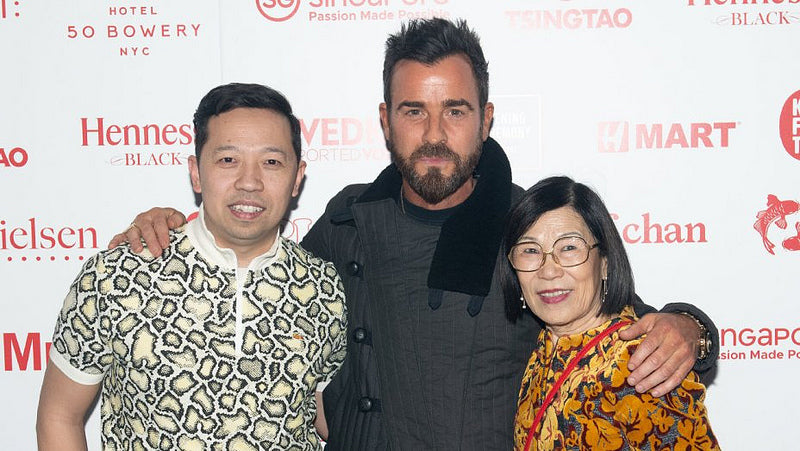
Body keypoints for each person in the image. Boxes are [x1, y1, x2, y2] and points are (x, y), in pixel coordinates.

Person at [107, 19, 718, 450]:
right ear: (384, 121)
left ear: (486, 119)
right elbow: (256, 263)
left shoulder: (524, 226)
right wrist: (167, 225)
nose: (434, 134)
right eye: (412, 111)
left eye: (454, 110)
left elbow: (628, 321)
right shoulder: (347, 219)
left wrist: (689, 326)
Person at [36, 83, 347, 450]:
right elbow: (59, 416)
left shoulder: (324, 289)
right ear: (196, 172)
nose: (250, 182)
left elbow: (335, 420)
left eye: (272, 162)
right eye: (228, 159)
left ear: (297, 178)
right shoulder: (116, 277)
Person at [501, 176, 718, 450]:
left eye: (569, 247)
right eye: (530, 251)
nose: (548, 270)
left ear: (604, 262)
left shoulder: (643, 362)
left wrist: (691, 325)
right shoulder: (541, 354)